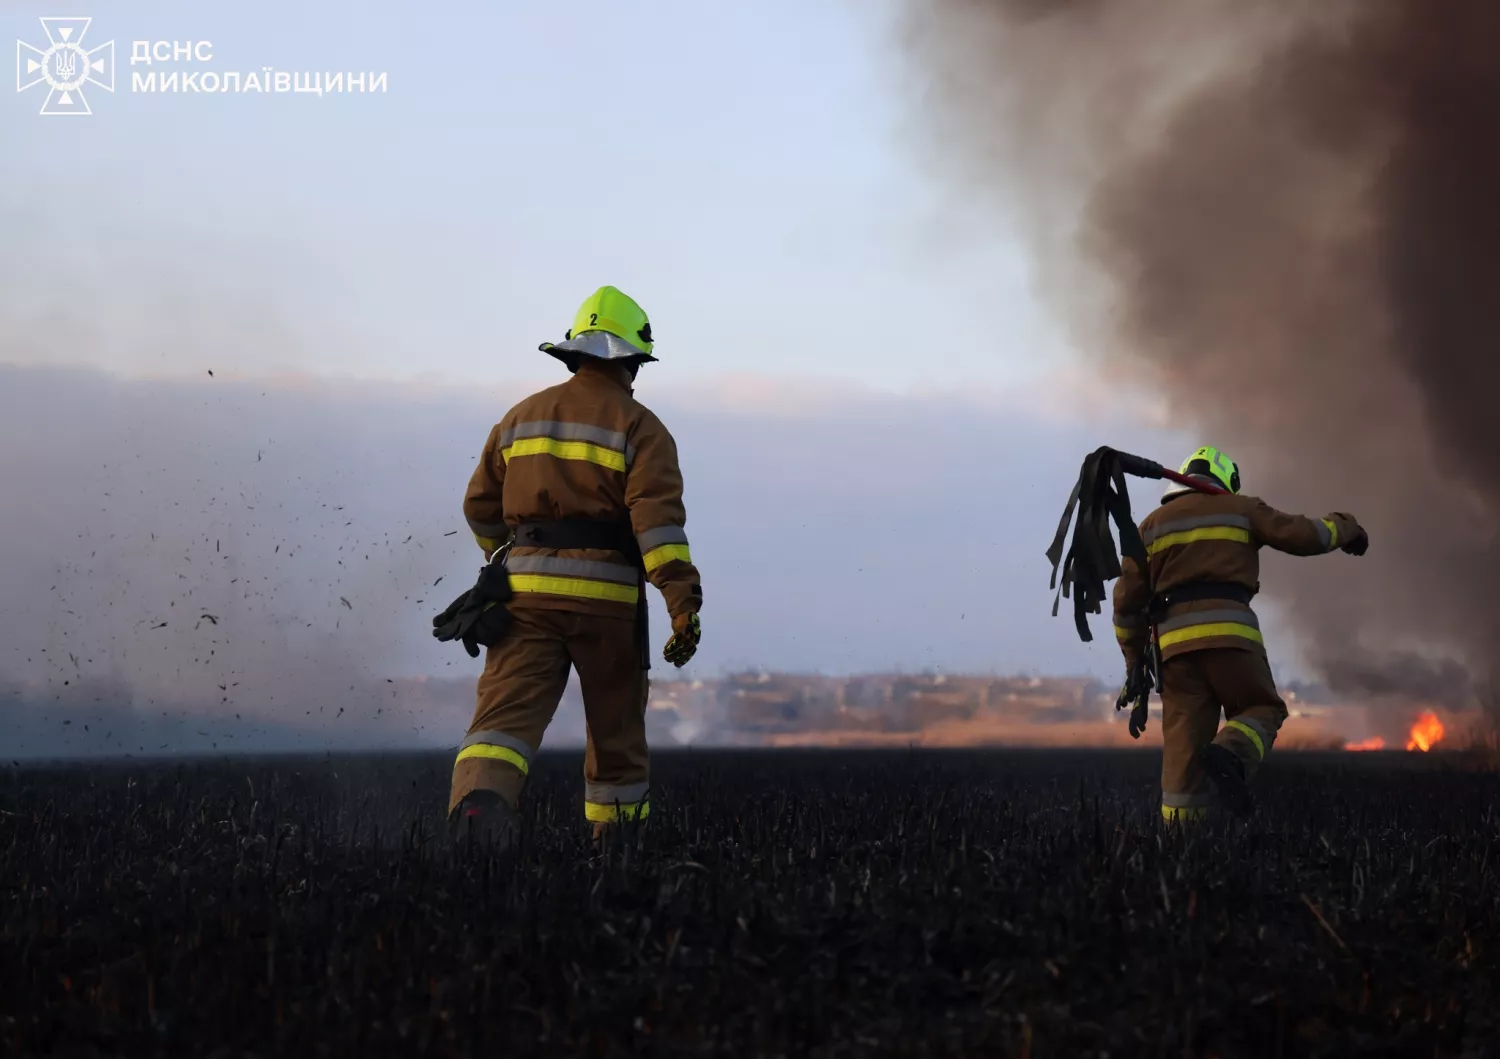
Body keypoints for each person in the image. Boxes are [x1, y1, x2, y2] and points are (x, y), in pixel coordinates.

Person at [445, 285, 703, 848]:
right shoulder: (642, 428)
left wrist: (498, 563)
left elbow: (479, 507)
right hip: (606, 607)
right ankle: (616, 855)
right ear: (629, 360)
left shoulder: (520, 418)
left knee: (501, 725)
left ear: (576, 353)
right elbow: (657, 529)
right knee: (616, 737)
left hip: (522, 601)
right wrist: (682, 605)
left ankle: (477, 817)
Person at [1112, 446, 1367, 820]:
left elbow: (1126, 606)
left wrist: (1135, 663)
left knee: (1182, 763)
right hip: (1232, 638)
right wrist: (1347, 527)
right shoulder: (1241, 509)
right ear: (1227, 481)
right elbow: (1306, 535)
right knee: (1261, 707)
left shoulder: (1151, 526)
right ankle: (1231, 751)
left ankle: (1178, 850)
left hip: (1174, 653)